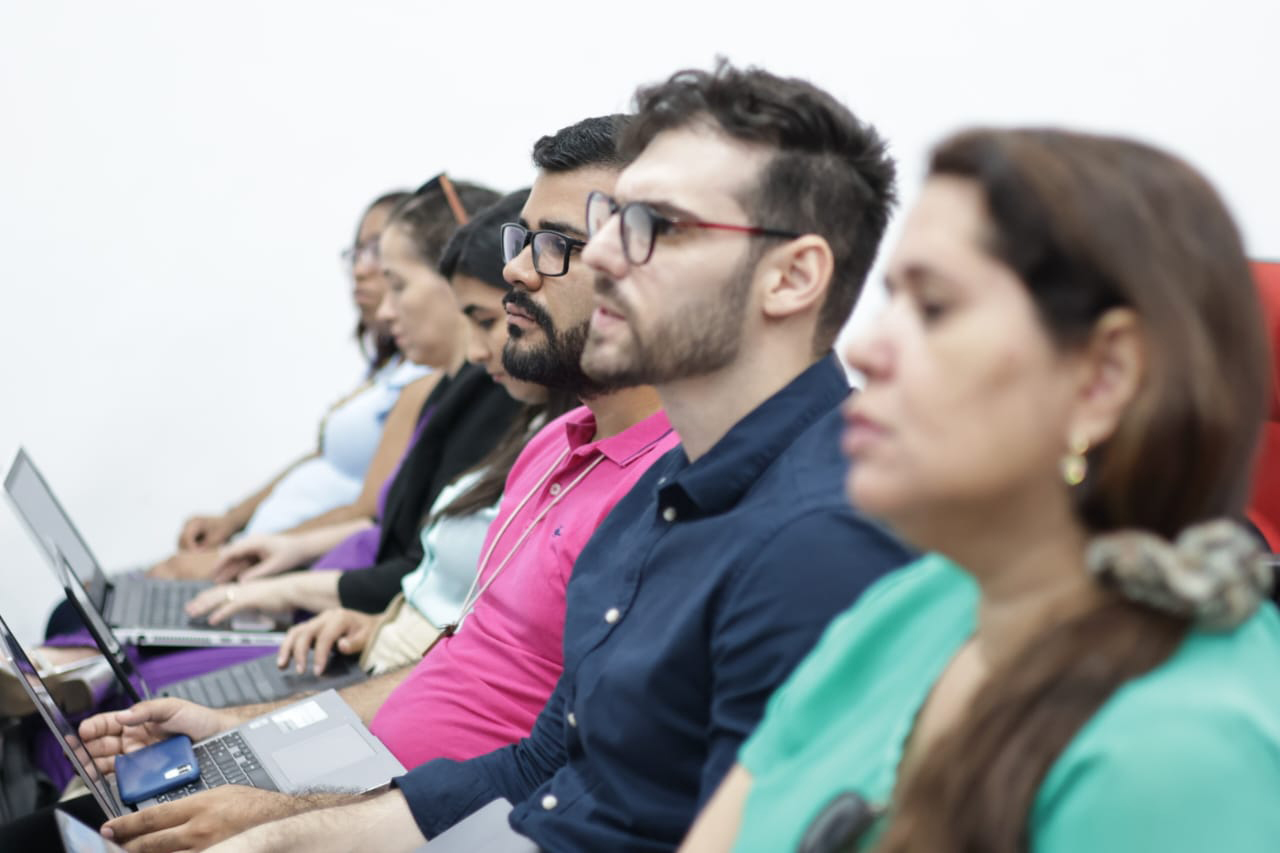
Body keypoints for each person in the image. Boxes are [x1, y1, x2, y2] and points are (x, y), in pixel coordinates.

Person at [197, 61, 914, 853]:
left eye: (655, 225)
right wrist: (280, 840)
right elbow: (548, 765)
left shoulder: (822, 536)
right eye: (608, 225)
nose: (603, 257)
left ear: (792, 276)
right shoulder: (662, 492)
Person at [62, 115, 679, 853]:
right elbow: (451, 662)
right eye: (521, 241)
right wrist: (240, 731)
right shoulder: (552, 445)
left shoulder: (667, 492)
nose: (515, 270)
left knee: (86, 825)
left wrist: (284, 818)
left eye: (553, 246)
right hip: (361, 781)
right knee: (77, 809)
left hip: (415, 816)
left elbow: (552, 771)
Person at [680, 128, 1280, 853]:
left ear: (1104, 377)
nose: (867, 350)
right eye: (891, 299)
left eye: (933, 309)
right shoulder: (920, 601)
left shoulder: (1180, 759)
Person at [145, 192, 436, 582]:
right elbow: (323, 458)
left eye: (376, 251)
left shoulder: (422, 378)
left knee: (86, 613)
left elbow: (368, 514)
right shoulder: (388, 367)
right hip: (259, 553)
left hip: (284, 569)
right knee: (95, 603)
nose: (360, 270)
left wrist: (228, 559)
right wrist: (231, 520)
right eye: (356, 252)